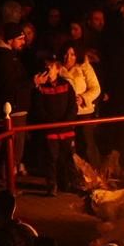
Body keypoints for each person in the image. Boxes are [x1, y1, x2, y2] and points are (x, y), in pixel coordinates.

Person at [30, 55, 78, 195]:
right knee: (51, 157)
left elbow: (73, 106)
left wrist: (67, 121)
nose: (48, 69)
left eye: (51, 66)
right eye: (46, 66)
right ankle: (52, 185)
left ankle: (72, 183)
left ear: (57, 69)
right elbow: (38, 108)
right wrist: (51, 123)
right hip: (50, 129)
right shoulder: (40, 88)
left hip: (66, 128)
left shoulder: (66, 84)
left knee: (69, 156)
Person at [61, 44, 103, 174]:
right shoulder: (58, 69)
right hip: (65, 113)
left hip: (83, 111)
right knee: (69, 145)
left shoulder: (84, 67)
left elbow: (95, 88)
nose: (69, 58)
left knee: (86, 142)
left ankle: (94, 173)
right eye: (66, 54)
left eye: (72, 54)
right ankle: (73, 174)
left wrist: (83, 98)